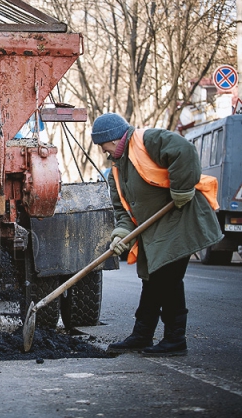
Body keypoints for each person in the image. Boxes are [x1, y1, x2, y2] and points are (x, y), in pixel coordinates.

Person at [91, 113, 222, 357]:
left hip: (180, 219)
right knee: (152, 280)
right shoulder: (116, 172)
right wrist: (122, 234)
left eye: (102, 144)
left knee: (168, 279)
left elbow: (184, 150)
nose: (103, 151)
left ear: (111, 138)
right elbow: (123, 211)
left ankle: (175, 339)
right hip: (156, 229)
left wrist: (182, 188)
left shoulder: (147, 140)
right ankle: (142, 335)